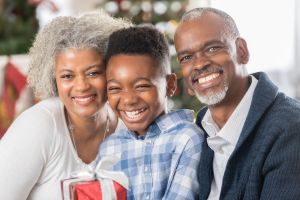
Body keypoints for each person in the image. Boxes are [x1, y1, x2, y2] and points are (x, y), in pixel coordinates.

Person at [0, 11, 131, 199]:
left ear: (111, 71)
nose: (82, 86)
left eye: (93, 73)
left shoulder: (128, 126)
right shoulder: (39, 126)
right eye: (67, 76)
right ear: (54, 80)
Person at [174, 7, 300, 200]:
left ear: (241, 51)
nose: (199, 64)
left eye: (212, 48)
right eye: (187, 57)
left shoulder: (290, 128)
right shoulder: (194, 135)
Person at [98, 25, 204, 199]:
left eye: (142, 86)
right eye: (115, 88)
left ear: (170, 85)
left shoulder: (187, 139)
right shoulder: (109, 148)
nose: (129, 99)